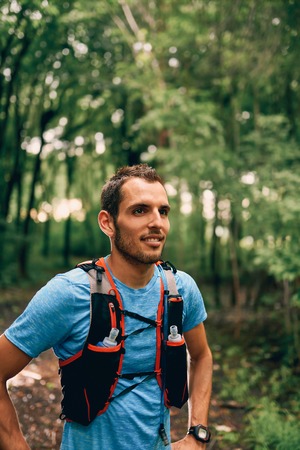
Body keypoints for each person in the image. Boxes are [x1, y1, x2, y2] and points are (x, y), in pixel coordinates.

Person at [0, 164, 213, 450]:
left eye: (163, 211)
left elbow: (201, 356)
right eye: (140, 210)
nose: (157, 223)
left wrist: (197, 434)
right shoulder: (69, 293)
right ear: (107, 223)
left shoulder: (180, 289)